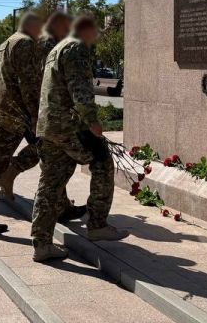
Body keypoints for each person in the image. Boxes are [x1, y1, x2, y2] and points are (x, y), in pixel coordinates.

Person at [30, 15, 128, 262]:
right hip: (67, 127)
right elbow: (80, 91)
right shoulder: (76, 48)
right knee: (103, 162)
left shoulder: (57, 48)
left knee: (50, 184)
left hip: (49, 126)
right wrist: (93, 122)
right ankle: (97, 224)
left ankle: (41, 243)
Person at [0, 11, 85, 224]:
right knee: (51, 153)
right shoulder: (47, 43)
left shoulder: (47, 41)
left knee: (51, 157)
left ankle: (61, 205)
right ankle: (12, 171)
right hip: (43, 109)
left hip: (41, 108)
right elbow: (37, 80)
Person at [0, 12, 44, 235]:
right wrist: (35, 115)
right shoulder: (24, 43)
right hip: (17, 114)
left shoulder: (6, 43)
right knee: (41, 149)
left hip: (3, 110)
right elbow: (29, 83)